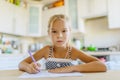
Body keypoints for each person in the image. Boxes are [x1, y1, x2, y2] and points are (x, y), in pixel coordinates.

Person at [18, 14, 107, 74]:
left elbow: (102, 66)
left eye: (64, 31)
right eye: (54, 31)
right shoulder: (46, 50)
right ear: (49, 33)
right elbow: (21, 63)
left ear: (70, 32)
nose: (59, 36)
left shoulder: (73, 51)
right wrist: (28, 67)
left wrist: (73, 68)